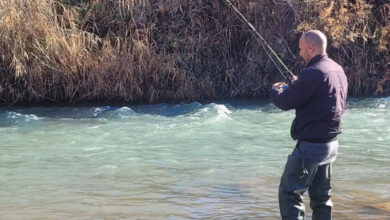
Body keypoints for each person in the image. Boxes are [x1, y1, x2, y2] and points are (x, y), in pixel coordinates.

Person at [270, 30, 348, 220]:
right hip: (330, 145)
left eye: (301, 49)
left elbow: (285, 102)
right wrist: (299, 84)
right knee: (322, 199)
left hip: (311, 147)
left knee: (289, 193)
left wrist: (276, 90)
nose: (299, 53)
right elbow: (321, 97)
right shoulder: (336, 69)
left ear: (311, 48)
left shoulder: (313, 73)